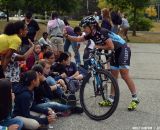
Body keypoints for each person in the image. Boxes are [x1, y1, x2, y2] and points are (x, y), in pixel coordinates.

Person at [63, 16, 139, 111]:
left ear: (92, 26)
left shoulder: (101, 32)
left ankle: (135, 98)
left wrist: (96, 46)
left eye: (85, 27)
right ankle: (111, 99)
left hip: (122, 48)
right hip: (115, 51)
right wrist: (67, 36)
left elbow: (110, 46)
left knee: (124, 74)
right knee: (113, 76)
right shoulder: (91, 34)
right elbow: (79, 39)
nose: (83, 29)